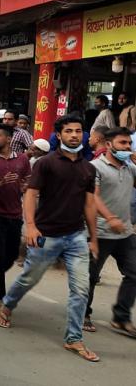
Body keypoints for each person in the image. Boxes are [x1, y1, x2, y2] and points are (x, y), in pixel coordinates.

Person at [0, 114, 100, 363]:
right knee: (29, 278)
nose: (74, 135)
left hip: (76, 236)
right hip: (46, 235)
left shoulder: (88, 168)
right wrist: (30, 227)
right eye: (69, 131)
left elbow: (89, 204)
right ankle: (7, 305)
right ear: (59, 135)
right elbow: (31, 195)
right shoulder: (46, 163)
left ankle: (73, 338)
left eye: (78, 131)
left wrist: (93, 237)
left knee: (81, 288)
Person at [83, 127, 136, 337]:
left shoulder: (129, 168)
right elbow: (93, 197)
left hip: (124, 233)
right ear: (108, 145)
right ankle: (83, 314)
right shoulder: (94, 167)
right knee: (90, 276)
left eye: (129, 144)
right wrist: (110, 218)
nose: (127, 147)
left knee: (134, 273)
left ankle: (120, 318)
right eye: (123, 143)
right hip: (100, 232)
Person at [0, 124, 32, 305]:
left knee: (11, 255)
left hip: (15, 214)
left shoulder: (23, 159)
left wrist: (24, 186)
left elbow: (27, 181)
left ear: (9, 139)